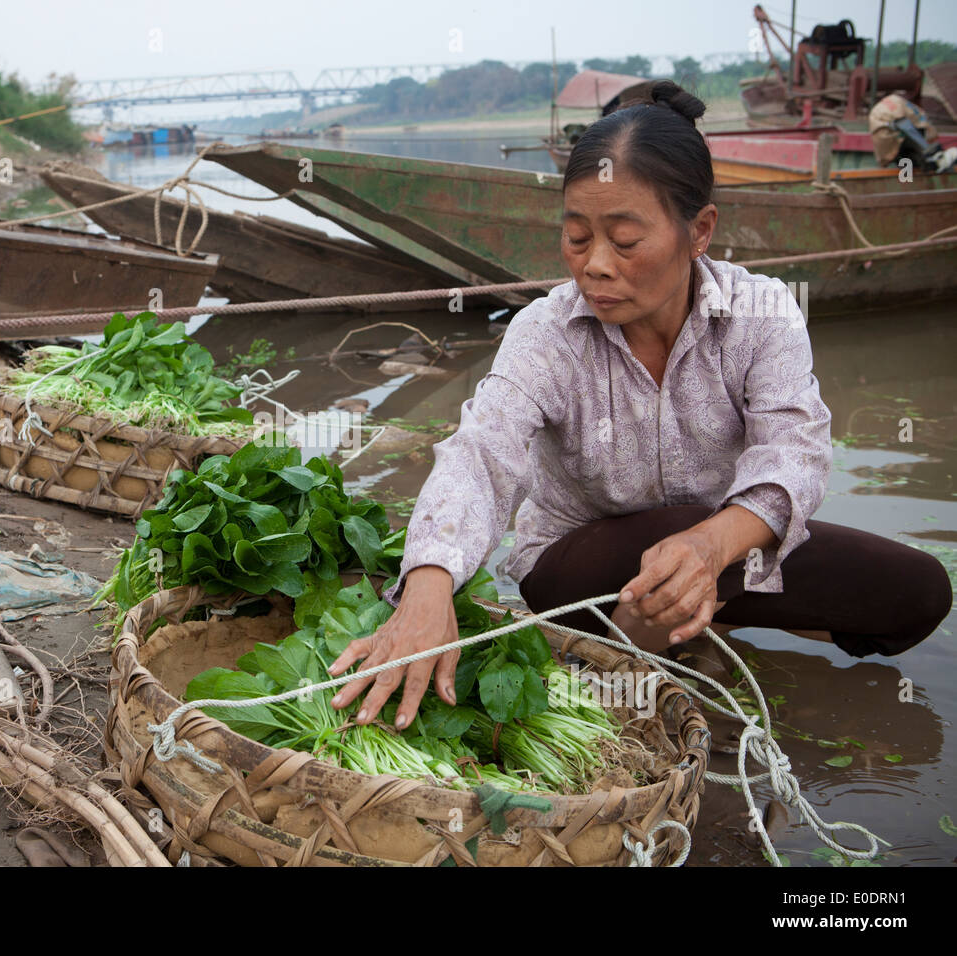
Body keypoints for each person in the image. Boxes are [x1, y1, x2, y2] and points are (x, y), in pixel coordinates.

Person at [327, 81, 953, 732]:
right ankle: (658, 637)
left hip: (720, 553)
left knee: (917, 589)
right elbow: (483, 452)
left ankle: (698, 621)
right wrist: (428, 588)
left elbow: (793, 453)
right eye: (576, 237)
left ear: (700, 230)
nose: (594, 266)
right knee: (665, 536)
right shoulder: (548, 333)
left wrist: (714, 547)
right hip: (580, 572)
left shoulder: (761, 312)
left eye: (624, 241)